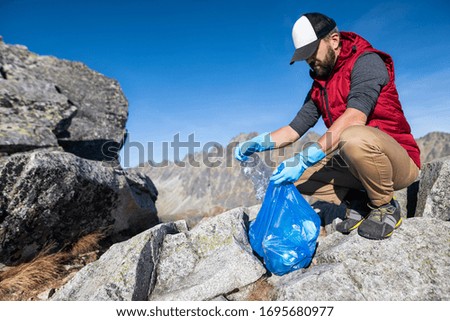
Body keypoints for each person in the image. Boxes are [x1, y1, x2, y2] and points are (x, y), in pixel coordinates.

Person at [234, 12, 420, 240]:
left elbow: (355, 117)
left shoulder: (367, 62)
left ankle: (384, 205)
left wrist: (305, 158)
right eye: (305, 56)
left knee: (352, 137)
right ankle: (359, 199)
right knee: (288, 176)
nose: (309, 60)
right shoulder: (319, 87)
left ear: (333, 40)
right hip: (359, 163)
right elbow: (293, 129)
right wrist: (257, 143)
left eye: (312, 52)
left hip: (397, 162)